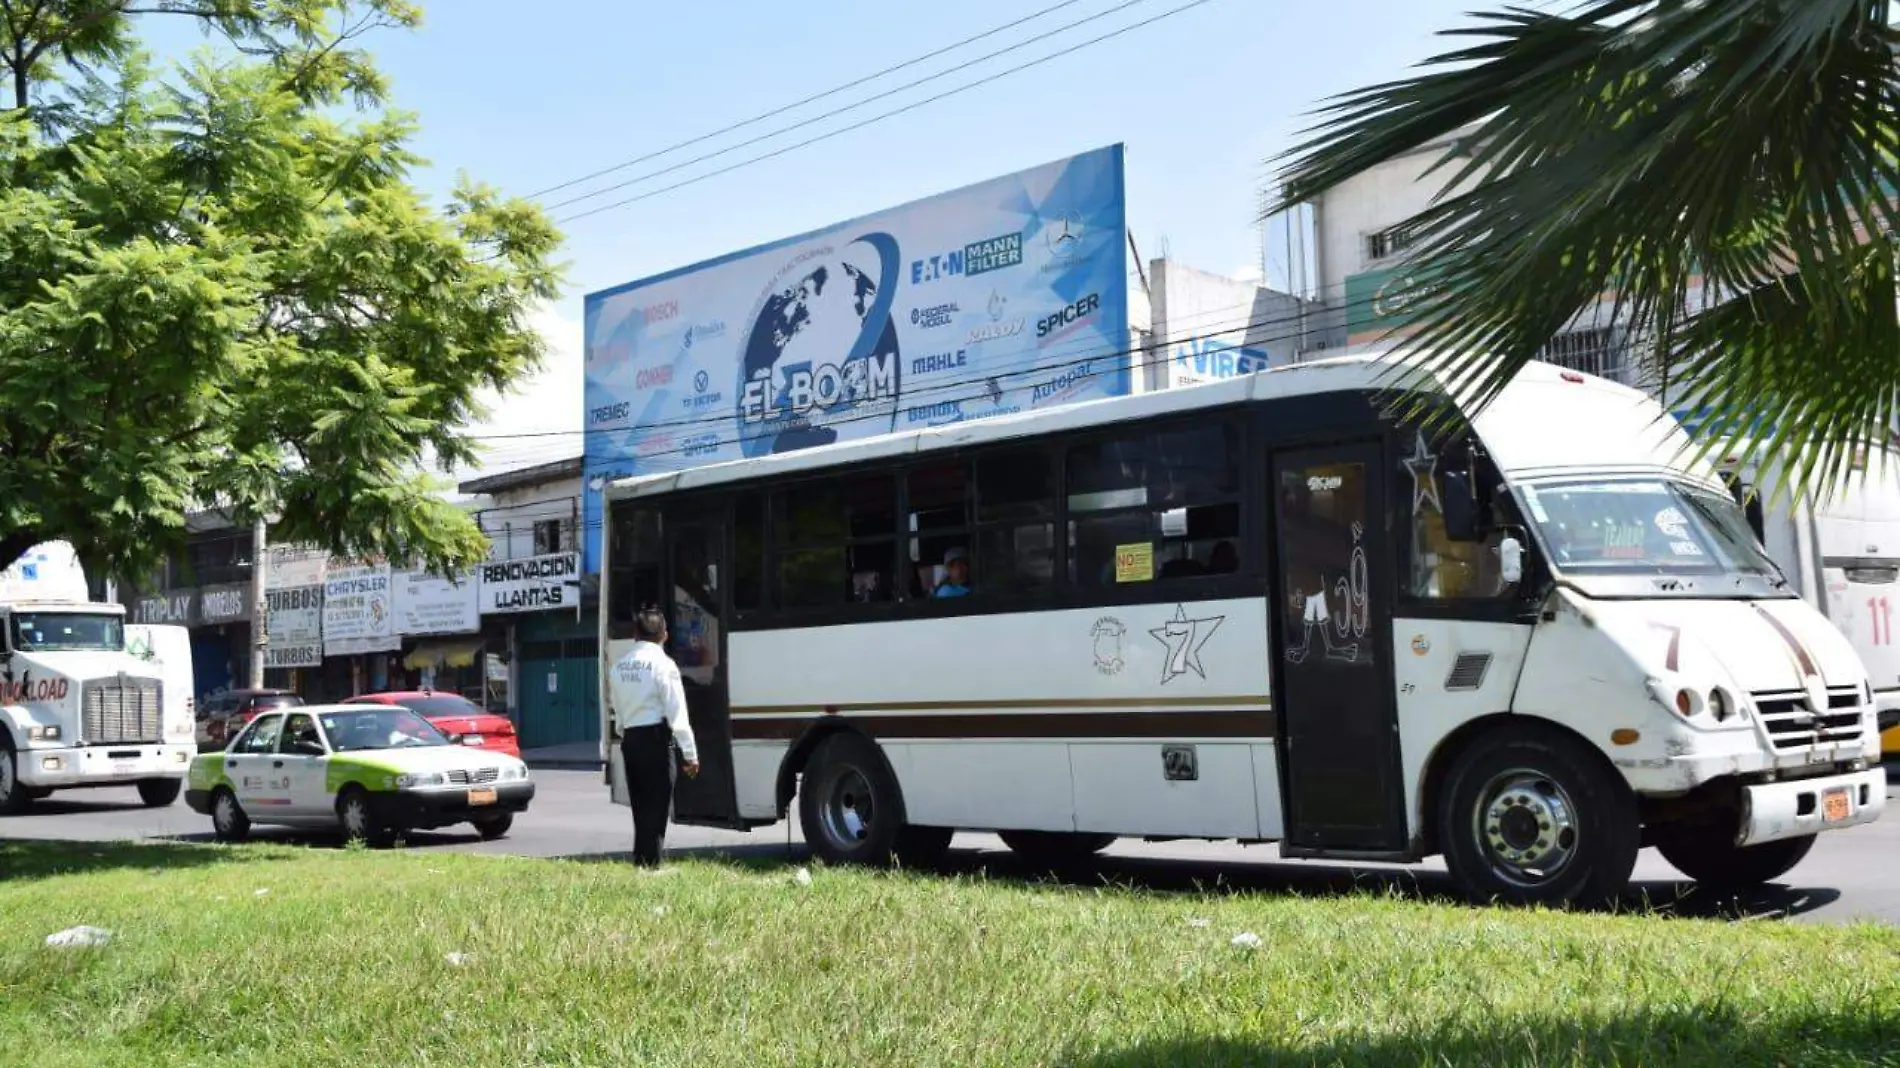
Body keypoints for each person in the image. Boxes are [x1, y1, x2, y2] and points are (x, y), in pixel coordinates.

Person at [607, 607, 700, 867]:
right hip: (656, 739)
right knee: (657, 805)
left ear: (635, 634)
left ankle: (641, 861)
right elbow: (677, 712)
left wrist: (626, 734)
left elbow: (618, 709)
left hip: (631, 740)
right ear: (665, 635)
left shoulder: (619, 667)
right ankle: (652, 864)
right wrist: (690, 754)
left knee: (639, 804)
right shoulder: (664, 665)